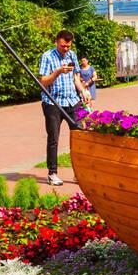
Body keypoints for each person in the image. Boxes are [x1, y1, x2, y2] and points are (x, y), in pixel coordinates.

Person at [38, 29, 90, 186]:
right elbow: (43, 82)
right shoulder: (47, 56)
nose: (65, 49)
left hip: (72, 101)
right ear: (56, 42)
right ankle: (52, 173)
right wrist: (58, 71)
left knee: (80, 135)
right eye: (63, 46)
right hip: (53, 102)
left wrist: (83, 91)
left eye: (68, 46)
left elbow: (76, 77)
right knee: (54, 138)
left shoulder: (72, 55)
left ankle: (78, 172)